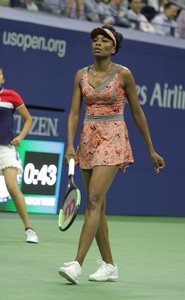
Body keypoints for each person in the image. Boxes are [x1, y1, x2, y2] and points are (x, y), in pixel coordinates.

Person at [58, 25, 165, 284]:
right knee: (100, 207)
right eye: (95, 39)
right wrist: (70, 144)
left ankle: (76, 264)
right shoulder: (80, 75)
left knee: (93, 199)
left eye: (104, 40)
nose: (97, 43)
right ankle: (109, 265)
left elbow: (137, 113)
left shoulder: (124, 75)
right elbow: (74, 113)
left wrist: (151, 150)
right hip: (87, 139)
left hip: (113, 137)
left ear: (113, 47)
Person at [0, 68, 38, 244]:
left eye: (0, 74)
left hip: (6, 149)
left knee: (12, 187)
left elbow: (28, 119)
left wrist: (21, 137)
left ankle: (29, 229)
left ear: (2, 79)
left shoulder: (11, 96)